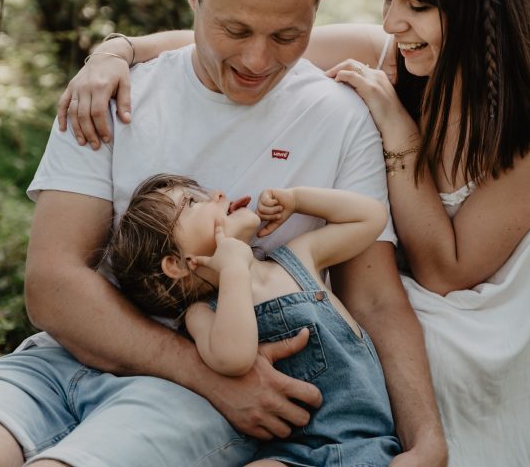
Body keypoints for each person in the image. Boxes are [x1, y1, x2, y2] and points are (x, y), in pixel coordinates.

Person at [59, 0, 530, 466]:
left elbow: (444, 272)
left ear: (477, 8)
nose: (392, 22)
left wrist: (398, 130)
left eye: (416, 5)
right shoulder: (382, 53)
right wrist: (117, 51)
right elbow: (225, 37)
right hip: (381, 294)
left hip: (473, 304)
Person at [0, 0, 446, 467]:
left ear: (317, 6)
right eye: (235, 28)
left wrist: (427, 439)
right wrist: (208, 374)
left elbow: (374, 298)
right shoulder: (112, 95)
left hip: (187, 403)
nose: (257, 59)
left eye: (286, 36)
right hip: (64, 363)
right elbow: (52, 283)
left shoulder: (340, 117)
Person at [109, 174, 401, 466]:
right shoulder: (202, 313)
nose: (219, 194)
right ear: (175, 264)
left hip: (367, 442)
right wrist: (234, 268)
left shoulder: (298, 258)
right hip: (293, 454)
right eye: (192, 203)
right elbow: (235, 357)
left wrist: (298, 199)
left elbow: (371, 218)